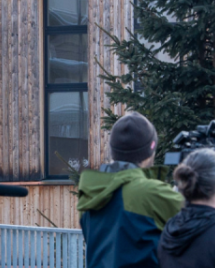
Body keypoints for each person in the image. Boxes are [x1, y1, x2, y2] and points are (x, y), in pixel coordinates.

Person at [77, 112, 183, 268]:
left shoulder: (91, 193)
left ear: (113, 150)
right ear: (150, 150)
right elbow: (198, 219)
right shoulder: (151, 193)